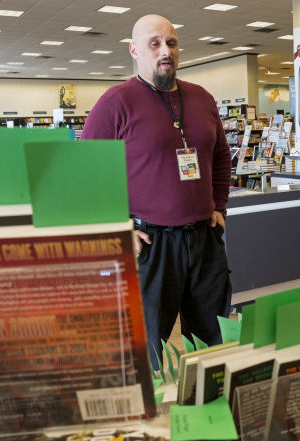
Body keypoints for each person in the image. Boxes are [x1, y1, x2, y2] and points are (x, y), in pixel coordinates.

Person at [81, 14, 232, 368]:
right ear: (134, 50)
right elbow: (87, 172)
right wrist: (117, 226)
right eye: (155, 43)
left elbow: (222, 156)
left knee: (213, 339)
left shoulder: (202, 98)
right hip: (149, 244)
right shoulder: (115, 102)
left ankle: (208, 408)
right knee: (149, 345)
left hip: (204, 238)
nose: (166, 51)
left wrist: (219, 204)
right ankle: (149, 418)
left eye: (172, 42)